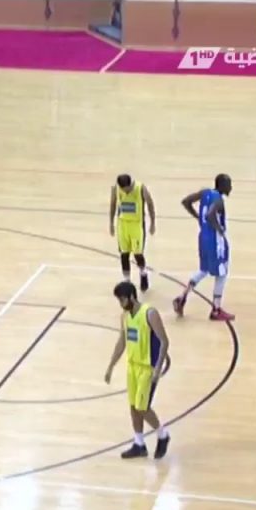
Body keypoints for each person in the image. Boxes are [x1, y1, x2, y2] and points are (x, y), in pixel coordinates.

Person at [104, 281, 171, 459]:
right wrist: (111, 366)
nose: (121, 303)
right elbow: (122, 341)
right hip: (132, 367)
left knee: (143, 407)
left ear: (132, 297)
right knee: (134, 407)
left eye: (122, 299)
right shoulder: (125, 316)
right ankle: (139, 444)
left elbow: (164, 341)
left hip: (147, 368)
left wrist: (158, 367)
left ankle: (163, 435)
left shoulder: (150, 313)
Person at [173, 173, 235, 321]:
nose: (231, 187)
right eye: (229, 184)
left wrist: (197, 217)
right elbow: (210, 214)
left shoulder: (204, 193)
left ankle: (182, 297)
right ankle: (216, 310)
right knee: (222, 273)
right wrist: (219, 229)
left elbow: (186, 202)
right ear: (222, 185)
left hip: (203, 237)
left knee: (204, 270)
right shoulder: (218, 200)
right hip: (215, 240)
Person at [109, 173, 156, 292]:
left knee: (138, 254)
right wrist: (111, 223)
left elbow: (150, 204)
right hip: (123, 225)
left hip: (137, 225)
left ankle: (143, 273)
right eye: (123, 190)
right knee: (124, 254)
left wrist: (152, 223)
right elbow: (113, 204)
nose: (126, 192)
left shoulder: (140, 188)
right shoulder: (116, 189)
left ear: (130, 185)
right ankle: (127, 281)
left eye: (127, 189)